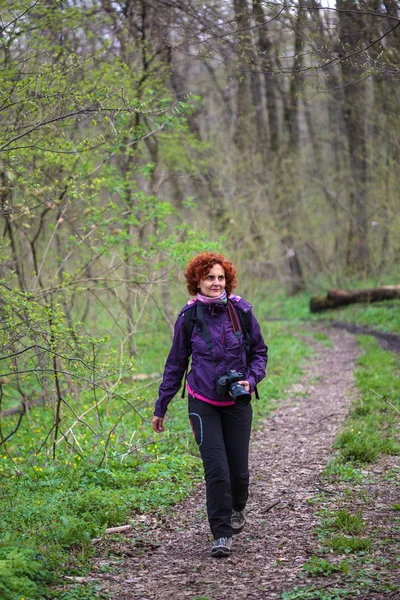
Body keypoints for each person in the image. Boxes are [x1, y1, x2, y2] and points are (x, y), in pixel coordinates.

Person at [152, 252, 268, 557]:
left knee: (238, 473)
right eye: (209, 278)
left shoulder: (241, 310)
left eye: (220, 277)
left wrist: (251, 381)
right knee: (216, 469)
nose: (216, 283)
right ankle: (221, 534)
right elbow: (175, 364)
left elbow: (259, 352)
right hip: (202, 400)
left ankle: (237, 508)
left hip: (237, 400)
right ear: (197, 282)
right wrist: (160, 406)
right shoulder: (188, 317)